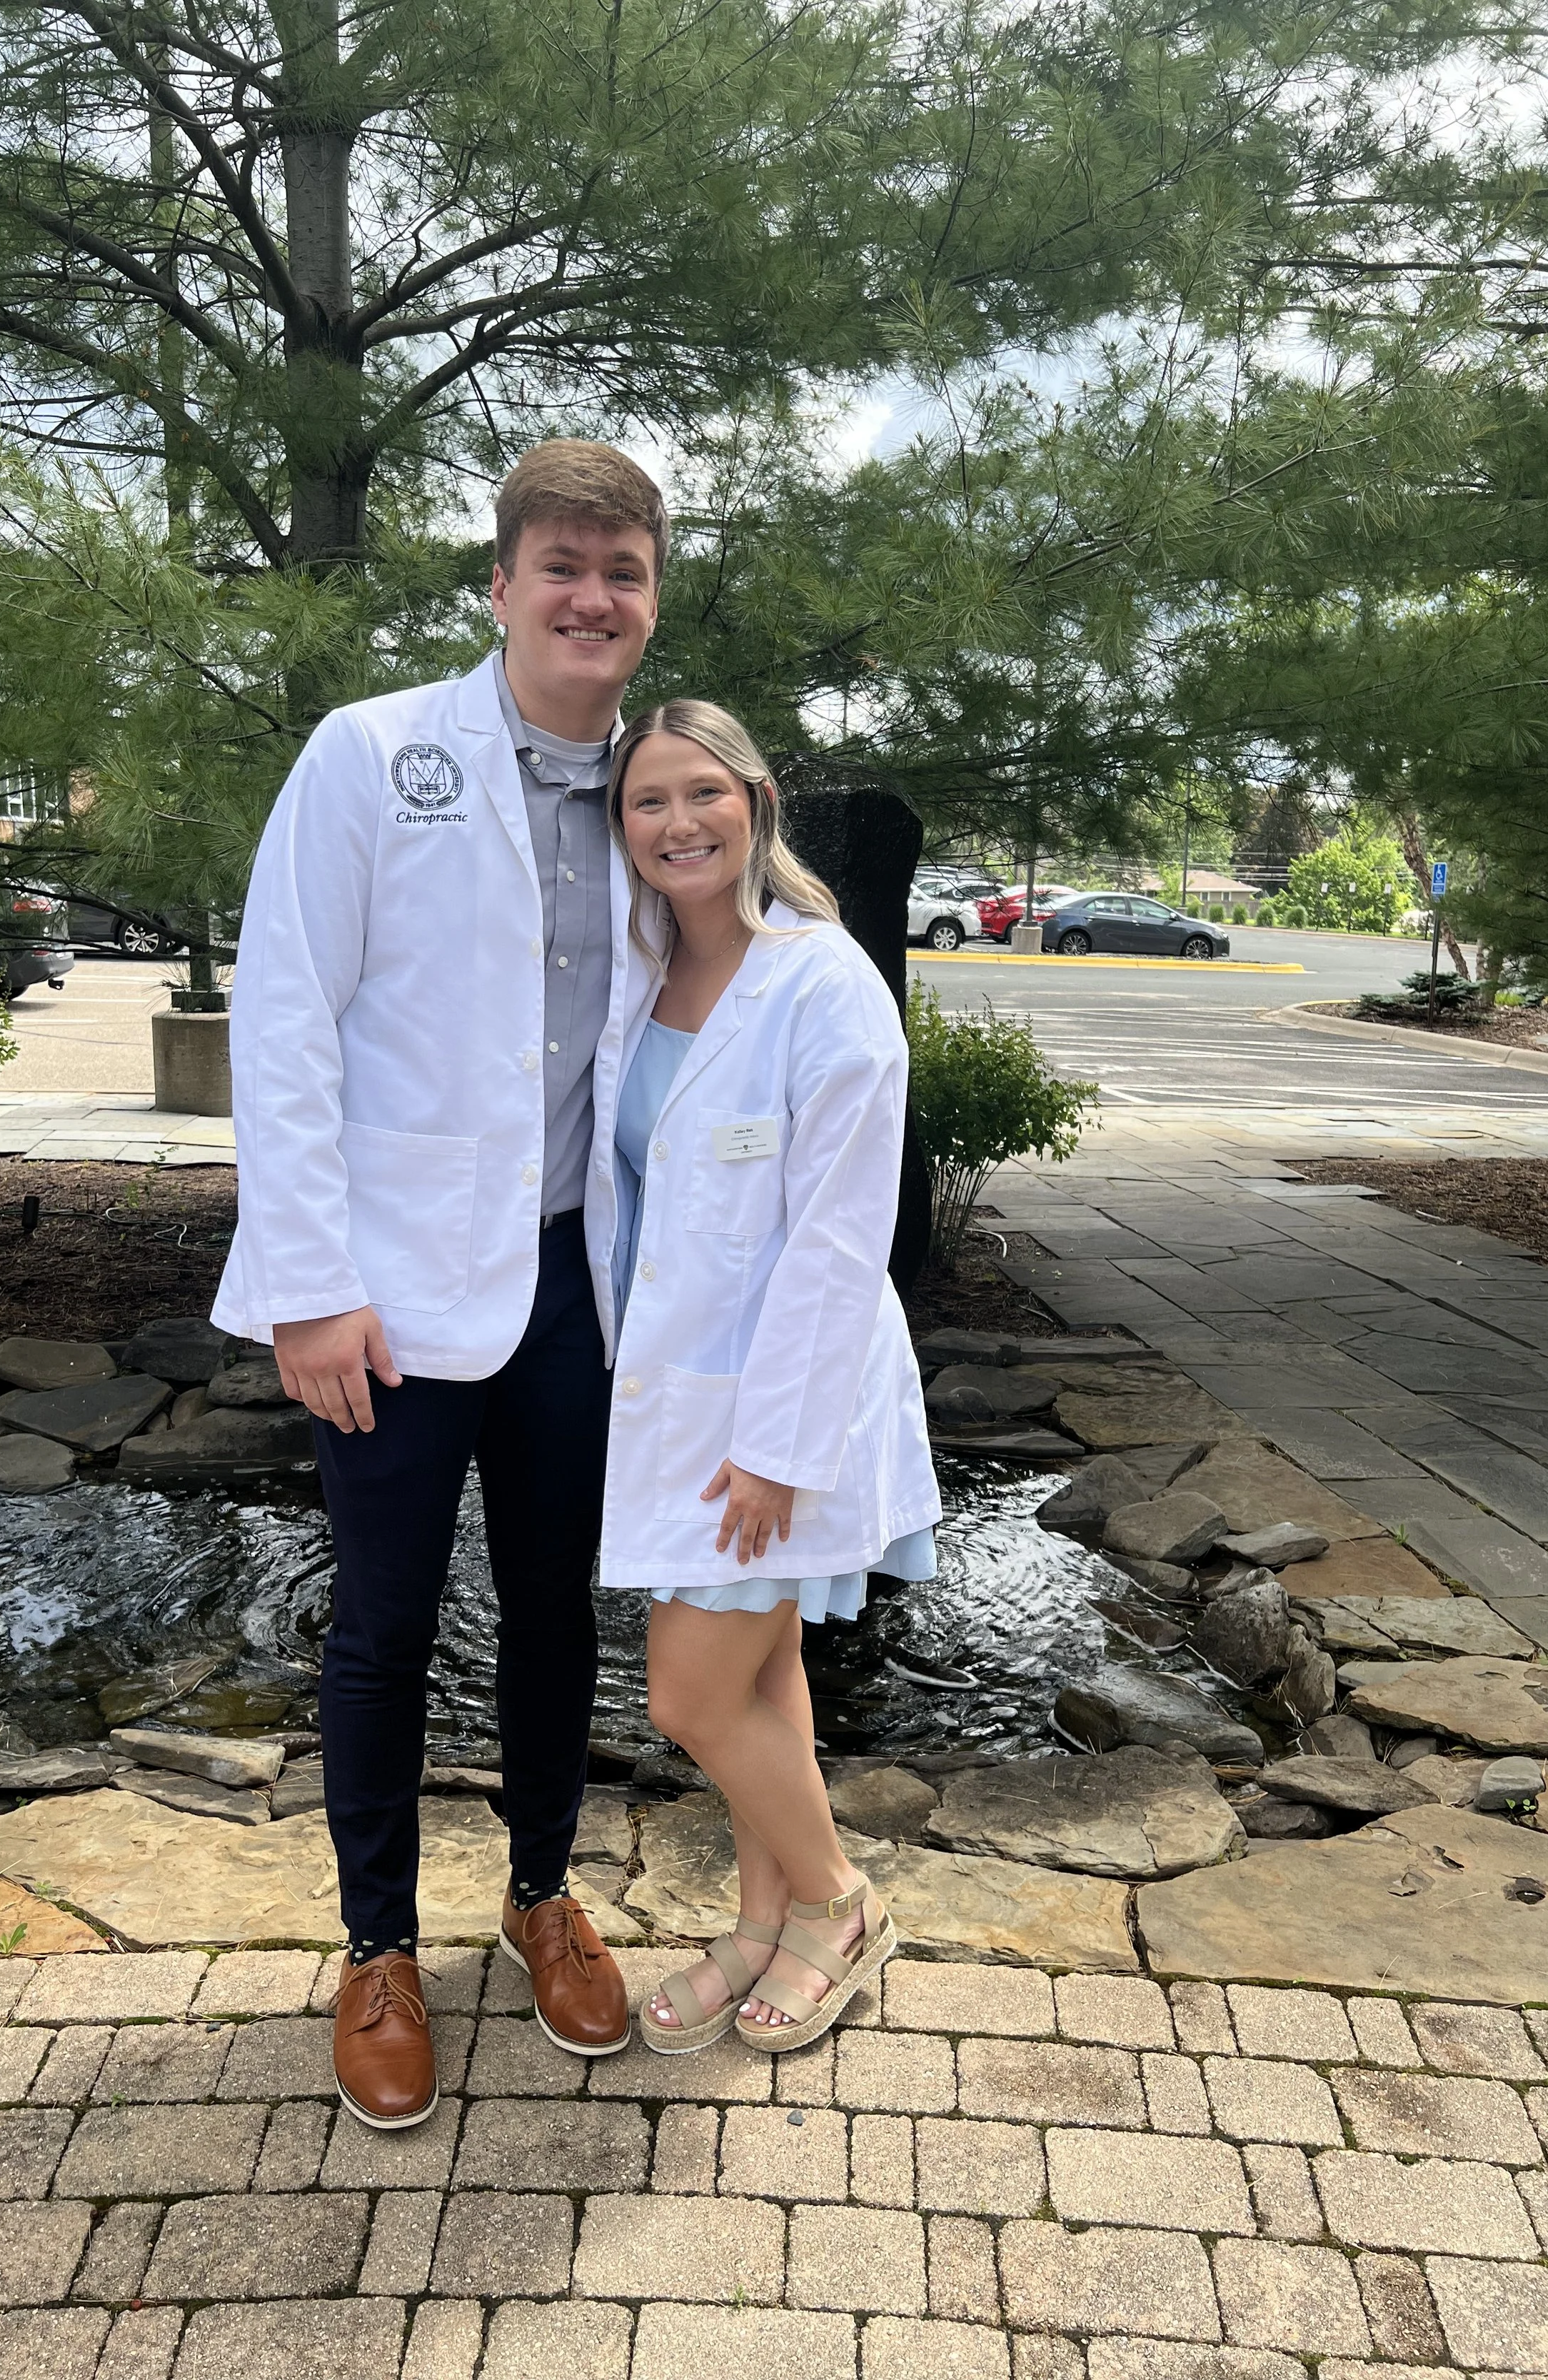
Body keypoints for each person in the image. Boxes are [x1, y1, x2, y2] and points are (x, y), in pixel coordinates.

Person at [213, 441, 672, 2128]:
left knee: (557, 1610)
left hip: (570, 1288)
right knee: (385, 1623)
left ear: (648, 598)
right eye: (560, 563)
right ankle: (378, 1945)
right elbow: (283, 1018)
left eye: (621, 571)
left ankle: (541, 1888)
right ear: (498, 585)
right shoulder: (372, 755)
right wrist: (307, 1285)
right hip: (390, 1298)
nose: (590, 596)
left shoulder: (658, 790)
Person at [586, 700, 942, 2055]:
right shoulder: (638, 978)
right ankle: (759, 1926)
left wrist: (781, 1445)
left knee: (687, 1695)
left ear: (756, 800)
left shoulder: (822, 981)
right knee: (761, 1677)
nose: (677, 824)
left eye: (701, 795)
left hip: (790, 1406)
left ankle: (841, 1905)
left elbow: (845, 1238)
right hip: (673, 1392)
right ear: (621, 830)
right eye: (645, 803)